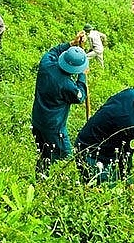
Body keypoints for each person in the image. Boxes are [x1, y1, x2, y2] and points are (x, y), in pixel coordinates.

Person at [31, 32, 89, 177]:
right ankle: (52, 183)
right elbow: (80, 96)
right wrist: (82, 75)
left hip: (37, 120)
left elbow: (54, 51)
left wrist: (71, 44)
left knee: (44, 153)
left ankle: (40, 177)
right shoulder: (67, 86)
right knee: (65, 157)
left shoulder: (46, 63)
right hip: (54, 127)